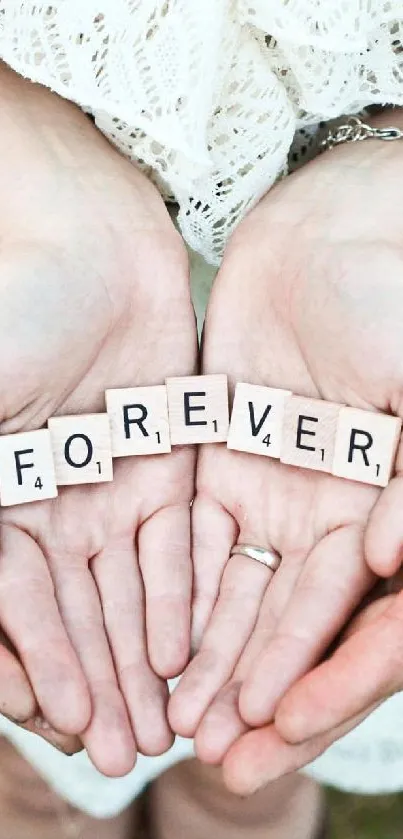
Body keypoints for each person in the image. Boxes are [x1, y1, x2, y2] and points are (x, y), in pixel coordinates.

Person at [0, 3, 403, 838]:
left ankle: (235, 796)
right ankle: (43, 794)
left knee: (275, 669)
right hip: (42, 240)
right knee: (61, 659)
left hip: (331, 309)